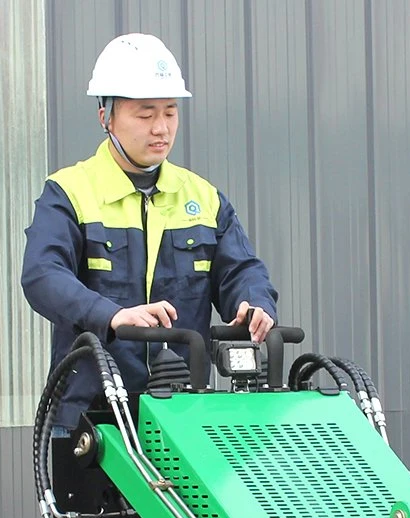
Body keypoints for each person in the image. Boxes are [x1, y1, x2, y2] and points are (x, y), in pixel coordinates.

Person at [21, 33, 278, 431]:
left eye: (170, 112)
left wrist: (253, 303)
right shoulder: (69, 193)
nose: (161, 128)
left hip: (185, 416)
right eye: (145, 115)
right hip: (91, 418)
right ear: (105, 115)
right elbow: (42, 275)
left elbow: (241, 270)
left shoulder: (203, 198)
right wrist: (113, 316)